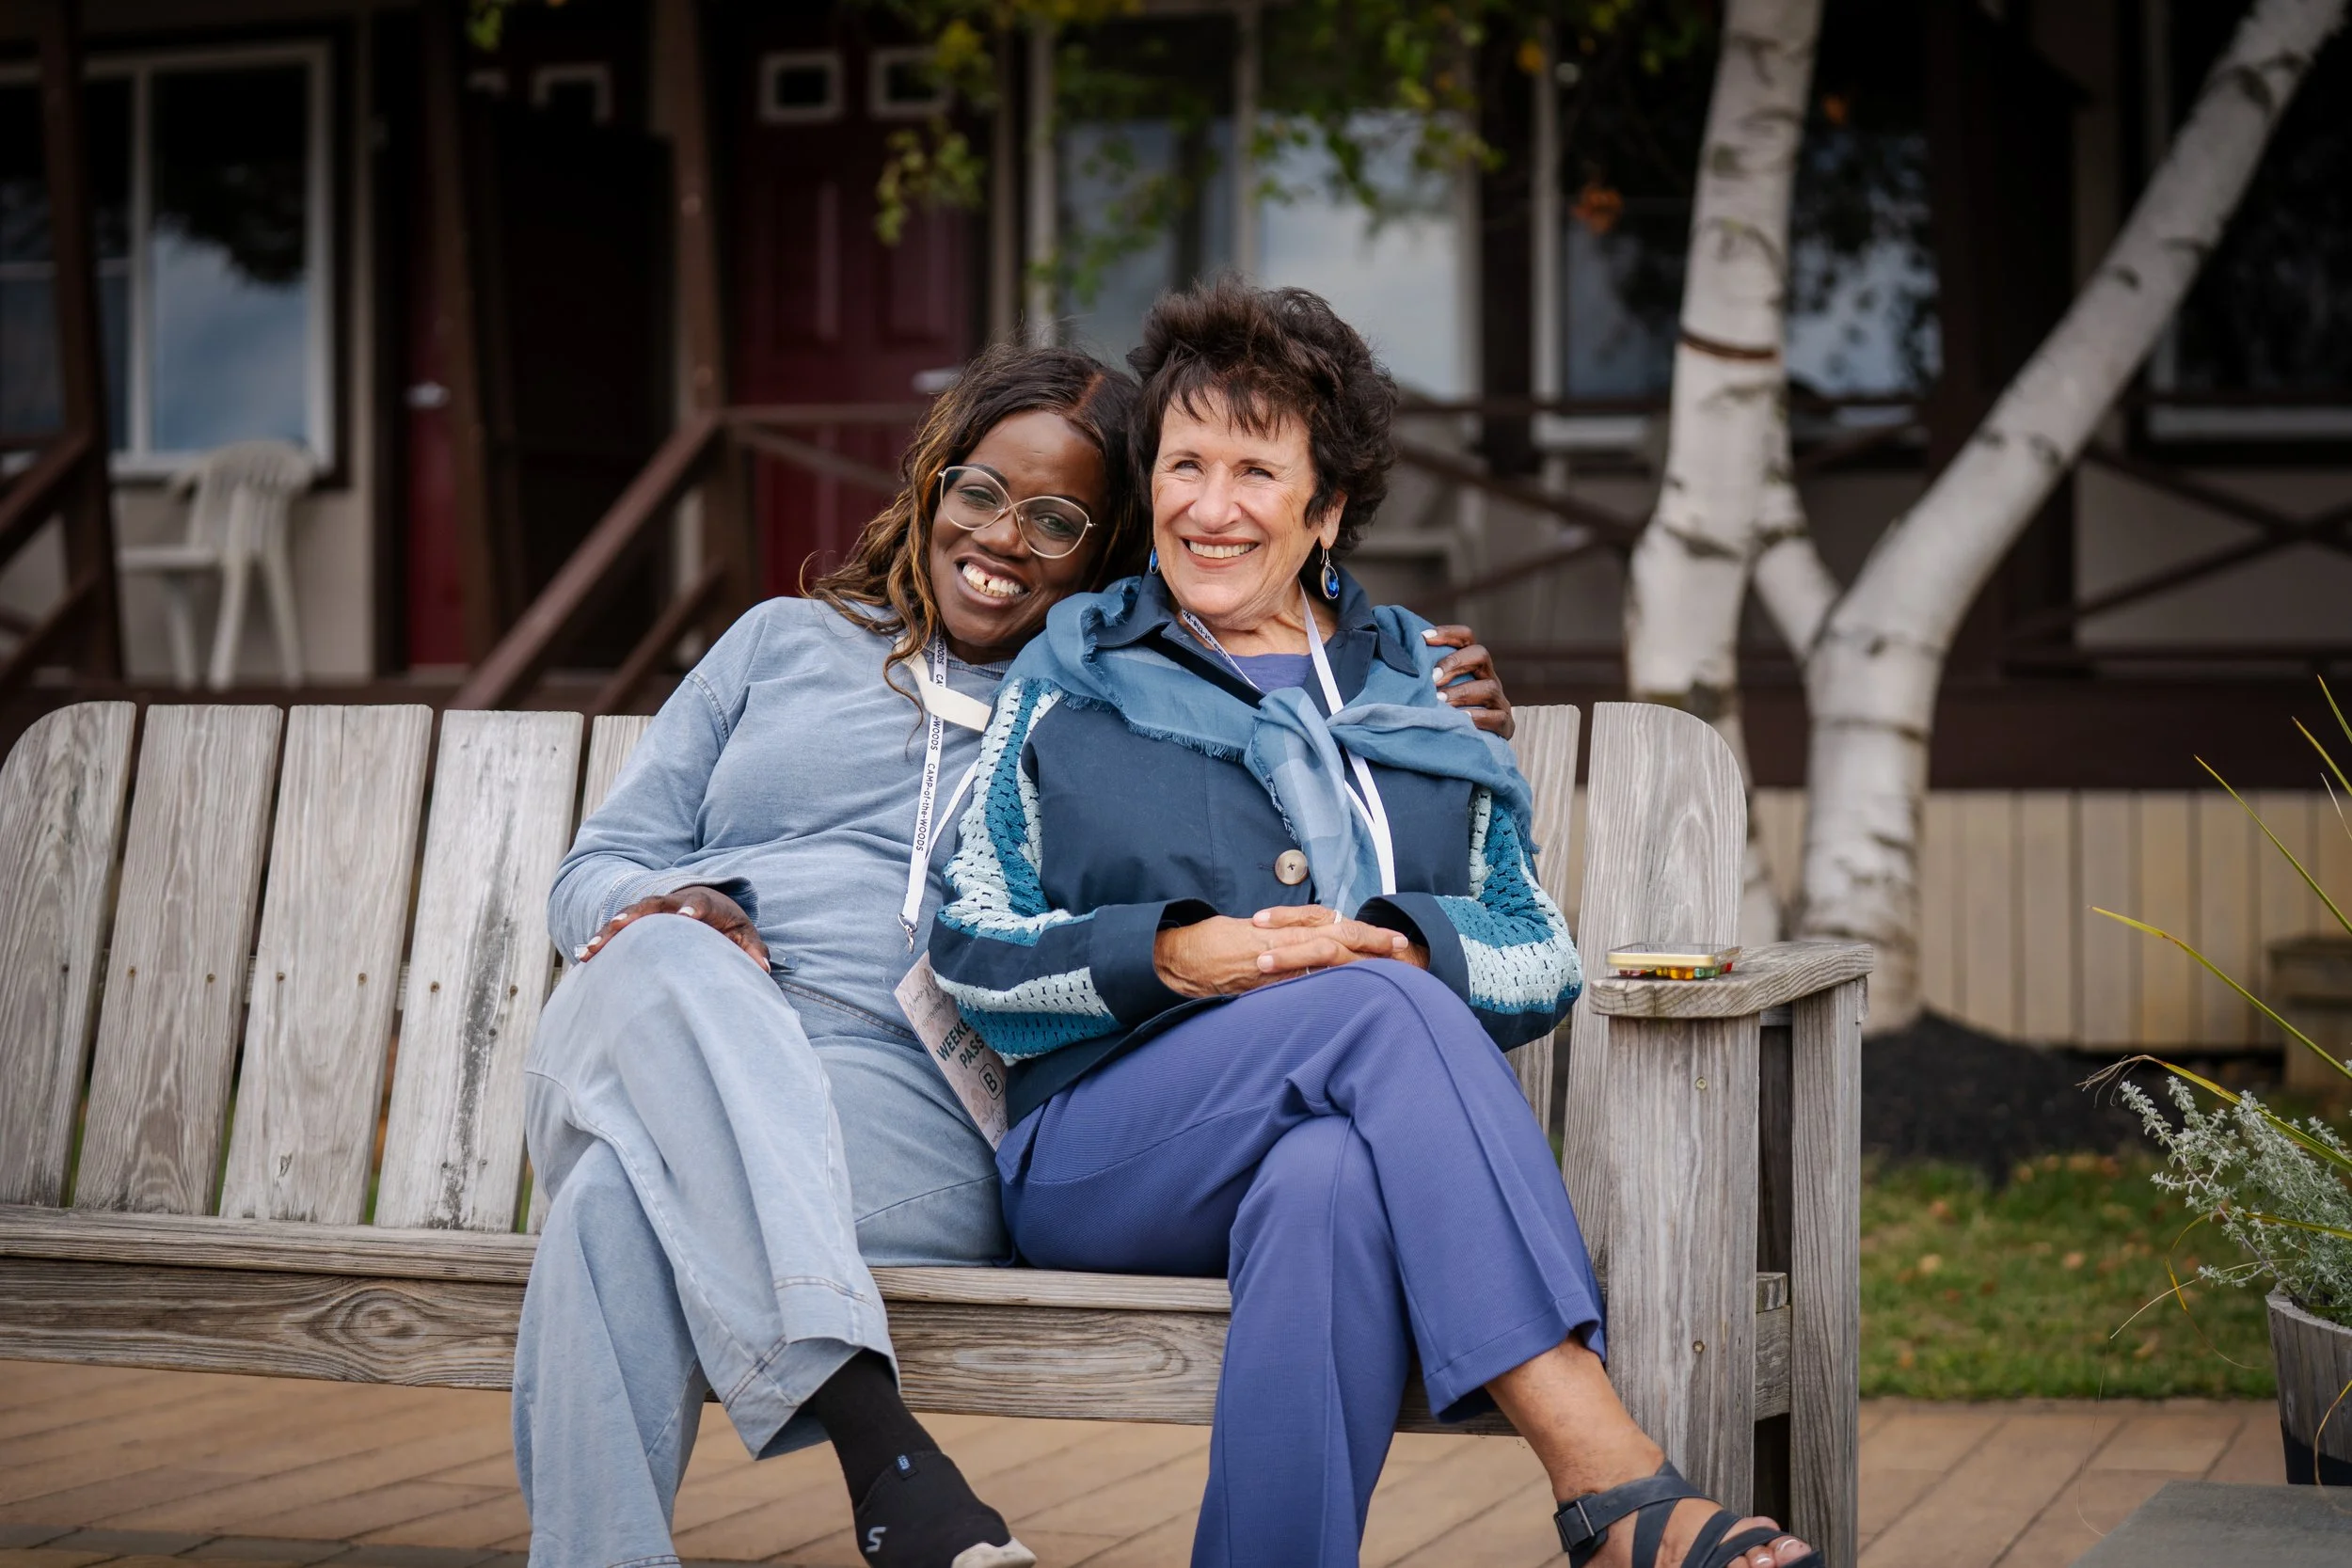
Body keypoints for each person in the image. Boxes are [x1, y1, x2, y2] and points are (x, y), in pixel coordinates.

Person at [514, 339, 1518, 1568]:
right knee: (659, 960)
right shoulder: (777, 642)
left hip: (906, 1133)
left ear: (1105, 553)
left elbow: (1308, 833)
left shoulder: (1113, 704)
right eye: (982, 491)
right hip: (685, 1034)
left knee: (622, 1192)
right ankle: (885, 1449)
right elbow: (593, 877)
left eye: (1057, 520)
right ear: (935, 482)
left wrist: (1415, 719)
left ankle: (852, 1475)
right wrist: (694, 904)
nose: (1002, 538)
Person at [930, 281, 1820, 1568]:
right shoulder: (1070, 679)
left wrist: (1415, 946)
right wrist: (1178, 952)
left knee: (1333, 1181)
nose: (1208, 504)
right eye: (1183, 463)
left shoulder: (1417, 685)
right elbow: (974, 945)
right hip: (1106, 1152)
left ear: (1326, 506)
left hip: (1336, 1136)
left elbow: (1534, 950)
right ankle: (1608, 1480)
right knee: (1373, 1002)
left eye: (1254, 468)